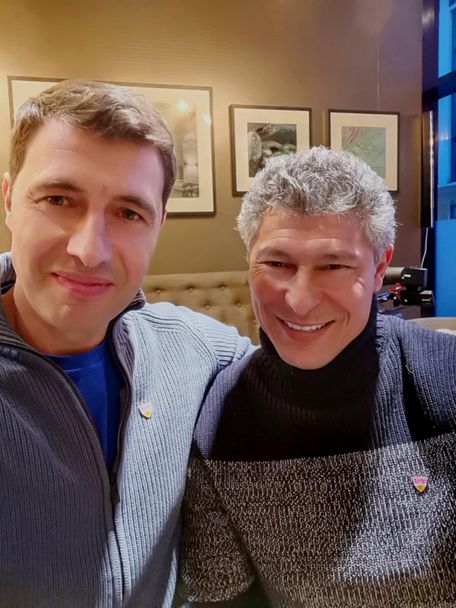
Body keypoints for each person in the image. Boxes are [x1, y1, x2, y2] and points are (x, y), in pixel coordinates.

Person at [0, 79, 251, 608]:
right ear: (9, 201)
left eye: (129, 212)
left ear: (159, 224)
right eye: (59, 199)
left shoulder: (191, 350)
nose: (89, 250)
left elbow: (303, 379)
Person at [178, 147, 456, 607]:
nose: (300, 300)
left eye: (333, 265)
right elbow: (221, 599)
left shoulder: (444, 379)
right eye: (277, 263)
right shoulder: (221, 417)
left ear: (379, 267)